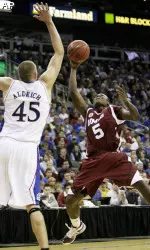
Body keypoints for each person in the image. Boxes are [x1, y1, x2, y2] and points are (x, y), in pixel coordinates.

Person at [62, 61, 150, 245]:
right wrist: (73, 68)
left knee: (141, 185)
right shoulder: (88, 112)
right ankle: (76, 225)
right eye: (97, 94)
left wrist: (125, 100)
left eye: (103, 95)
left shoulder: (113, 111)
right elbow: (72, 93)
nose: (100, 94)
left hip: (112, 157)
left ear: (108, 101)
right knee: (70, 200)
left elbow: (135, 116)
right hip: (92, 161)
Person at [0, 3, 64, 250]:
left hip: (4, 143)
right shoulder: (44, 85)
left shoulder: (9, 84)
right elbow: (59, 53)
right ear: (37, 73)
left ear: (18, 74)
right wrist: (49, 22)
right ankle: (45, 248)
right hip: (26, 149)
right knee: (31, 204)